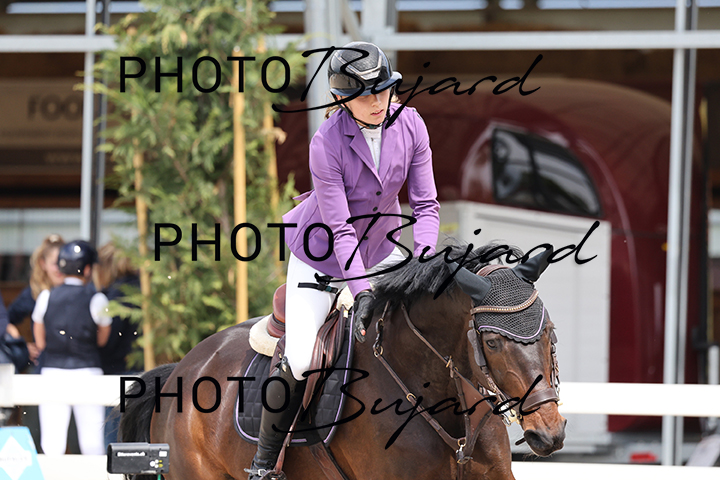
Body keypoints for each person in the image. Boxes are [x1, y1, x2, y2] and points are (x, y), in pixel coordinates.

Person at [245, 42, 440, 480]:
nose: (377, 102)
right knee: (301, 358)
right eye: (364, 95)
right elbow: (340, 227)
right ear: (340, 99)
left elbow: (426, 205)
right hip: (321, 256)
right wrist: (361, 290)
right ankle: (263, 464)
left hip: (381, 248)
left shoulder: (411, 123)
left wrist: (425, 265)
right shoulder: (326, 142)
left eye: (383, 90)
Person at [31, 240, 112, 456]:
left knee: (52, 442)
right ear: (87, 269)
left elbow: (40, 339)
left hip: (52, 371)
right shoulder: (98, 299)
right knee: (92, 440)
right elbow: (102, 338)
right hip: (88, 370)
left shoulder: (46, 296)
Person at [92, 241, 141, 446]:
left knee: (114, 439)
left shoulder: (114, 296)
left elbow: (110, 340)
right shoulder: (145, 290)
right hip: (145, 368)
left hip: (117, 371)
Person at [8, 234, 66, 367]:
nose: (59, 268)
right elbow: (6, 319)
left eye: (63, 263)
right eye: (55, 264)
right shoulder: (34, 292)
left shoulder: (77, 290)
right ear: (43, 263)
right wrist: (22, 347)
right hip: (45, 362)